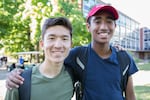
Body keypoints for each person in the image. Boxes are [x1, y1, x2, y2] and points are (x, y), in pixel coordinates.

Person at [6, 4, 138, 100]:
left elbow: (130, 95)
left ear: (115, 26)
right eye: (97, 21)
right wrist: (17, 74)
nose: (103, 26)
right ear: (88, 27)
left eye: (109, 22)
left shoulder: (124, 58)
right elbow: (51, 61)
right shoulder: (78, 55)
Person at [5, 17, 74, 100]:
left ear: (71, 45)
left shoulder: (73, 76)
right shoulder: (19, 82)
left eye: (64, 39)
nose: (58, 45)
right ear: (42, 44)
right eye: (51, 38)